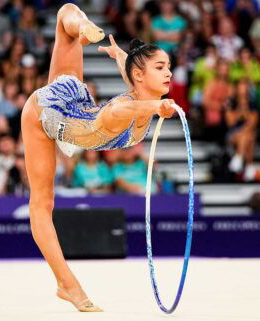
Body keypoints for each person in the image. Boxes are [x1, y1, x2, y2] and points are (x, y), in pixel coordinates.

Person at [20, 3, 176, 313]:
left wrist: (122, 58)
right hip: (46, 114)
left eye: (168, 66)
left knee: (65, 23)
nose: (169, 72)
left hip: (75, 101)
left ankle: (80, 26)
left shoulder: (139, 91)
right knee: (42, 202)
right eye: (160, 67)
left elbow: (133, 80)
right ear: (141, 76)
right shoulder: (126, 109)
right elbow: (124, 110)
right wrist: (154, 109)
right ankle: (67, 284)